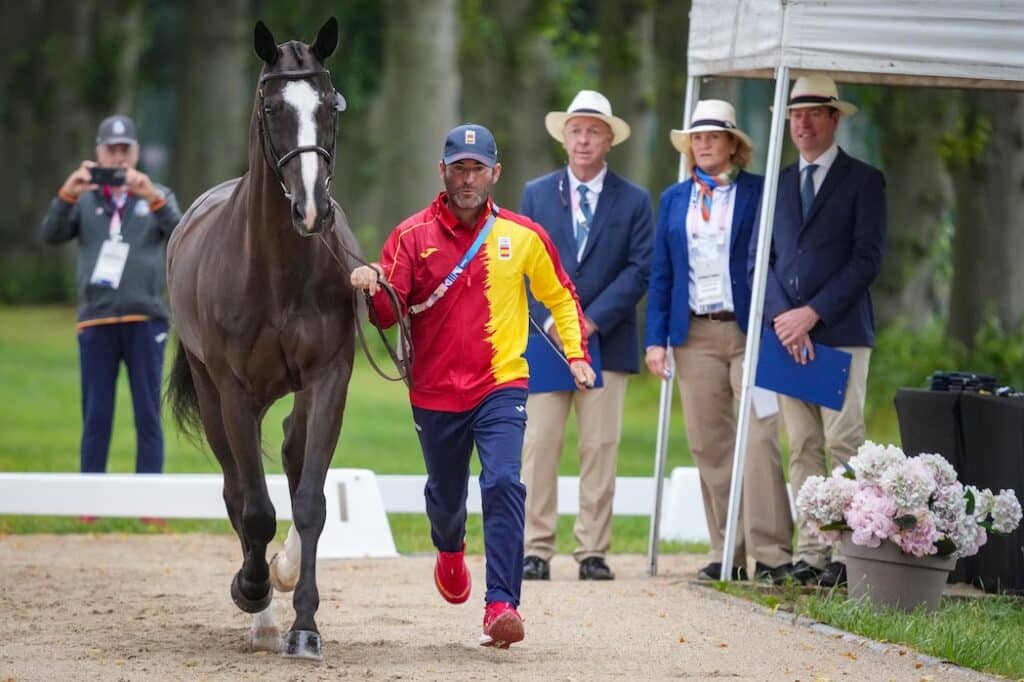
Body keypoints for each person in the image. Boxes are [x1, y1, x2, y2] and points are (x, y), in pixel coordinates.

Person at [350, 124, 595, 649]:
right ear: (442, 172)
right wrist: (373, 287)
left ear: (495, 173)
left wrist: (575, 354)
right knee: (445, 498)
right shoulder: (411, 236)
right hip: (434, 391)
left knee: (505, 482)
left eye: (477, 168)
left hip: (501, 385)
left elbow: (561, 295)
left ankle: (502, 604)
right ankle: (449, 548)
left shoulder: (524, 235)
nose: (467, 178)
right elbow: (388, 315)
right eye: (458, 167)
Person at [644, 99, 796, 584]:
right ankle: (727, 548)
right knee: (708, 444)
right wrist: (656, 340)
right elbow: (661, 273)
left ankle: (773, 554)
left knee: (759, 439)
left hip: (750, 331)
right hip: (694, 333)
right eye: (697, 137)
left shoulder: (759, 191)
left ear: (734, 145)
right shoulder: (673, 199)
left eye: (713, 136)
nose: (703, 144)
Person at [755, 74, 886, 588]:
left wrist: (812, 314)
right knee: (802, 445)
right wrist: (784, 319)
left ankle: (850, 553)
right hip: (787, 337)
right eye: (794, 115)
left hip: (841, 331)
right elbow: (759, 260)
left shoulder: (863, 180)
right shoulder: (778, 182)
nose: (802, 123)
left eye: (813, 113)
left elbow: (867, 259)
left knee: (843, 441)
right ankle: (812, 554)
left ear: (835, 119)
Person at [518, 90, 653, 582]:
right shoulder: (536, 193)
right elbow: (523, 262)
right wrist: (553, 320)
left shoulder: (634, 200)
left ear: (608, 140)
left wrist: (590, 319)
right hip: (547, 340)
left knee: (600, 446)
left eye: (593, 131)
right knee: (540, 443)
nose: (583, 139)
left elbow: (641, 269)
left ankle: (592, 550)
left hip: (606, 340)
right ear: (564, 137)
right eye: (576, 130)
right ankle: (535, 548)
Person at [41, 115, 182, 493]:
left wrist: (152, 198)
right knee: (96, 415)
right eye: (111, 149)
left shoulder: (158, 195)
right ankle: (91, 501)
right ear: (98, 153)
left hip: (146, 319)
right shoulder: (84, 199)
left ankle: (149, 500)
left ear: (135, 152)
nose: (118, 157)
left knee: (149, 415)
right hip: (96, 320)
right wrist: (66, 193)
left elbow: (181, 235)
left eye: (125, 149)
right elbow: (51, 233)